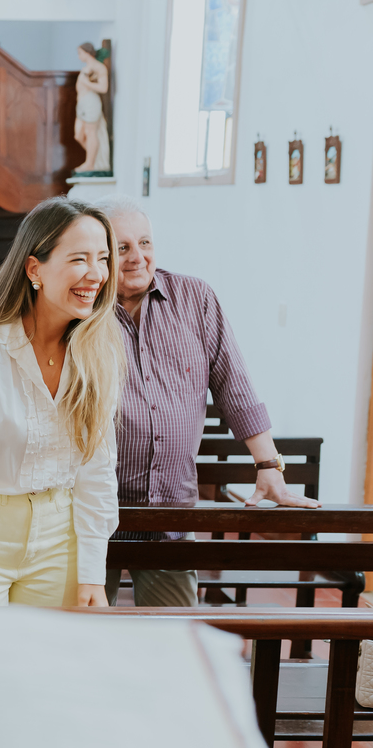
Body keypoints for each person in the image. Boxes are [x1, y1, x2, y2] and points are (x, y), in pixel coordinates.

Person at [93, 195, 320, 608]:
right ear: (99, 254)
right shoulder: (82, 306)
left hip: (171, 514)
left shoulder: (194, 298)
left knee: (173, 642)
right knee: (80, 640)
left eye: (144, 243)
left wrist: (269, 467)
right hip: (90, 514)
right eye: (121, 247)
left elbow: (235, 385)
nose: (136, 258)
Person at [0, 197, 125, 607]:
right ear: (35, 268)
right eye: (79, 259)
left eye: (103, 258)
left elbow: (97, 471)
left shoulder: (98, 350)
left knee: (50, 669)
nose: (96, 274)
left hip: (60, 536)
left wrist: (91, 574)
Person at [74, 42, 111, 173]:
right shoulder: (87, 67)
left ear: (87, 52)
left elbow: (103, 88)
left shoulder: (99, 67)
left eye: (80, 53)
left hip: (91, 102)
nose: (79, 56)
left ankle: (90, 163)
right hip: (82, 103)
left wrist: (87, 83)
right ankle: (95, 158)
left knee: (91, 133)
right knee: (78, 134)